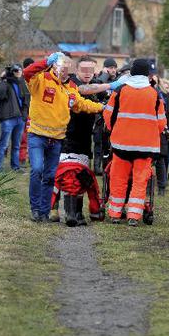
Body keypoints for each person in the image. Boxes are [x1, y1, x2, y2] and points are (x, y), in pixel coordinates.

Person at [22, 52, 104, 222]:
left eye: (67, 70)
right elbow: (27, 72)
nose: (64, 72)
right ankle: (35, 208)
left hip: (57, 138)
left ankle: (44, 212)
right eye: (62, 68)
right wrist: (45, 61)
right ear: (54, 66)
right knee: (37, 169)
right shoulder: (41, 79)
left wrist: (102, 107)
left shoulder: (71, 87)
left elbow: (82, 104)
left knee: (51, 176)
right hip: (37, 135)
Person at [50, 55, 112, 226]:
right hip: (67, 136)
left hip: (85, 139)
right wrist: (110, 85)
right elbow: (85, 91)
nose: (87, 73)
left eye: (90, 70)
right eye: (84, 69)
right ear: (76, 71)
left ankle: (78, 212)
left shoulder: (95, 90)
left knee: (83, 175)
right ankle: (62, 211)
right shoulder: (72, 85)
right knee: (67, 173)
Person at [103, 59, 167, 226]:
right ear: (148, 74)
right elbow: (161, 122)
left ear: (131, 72)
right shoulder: (155, 94)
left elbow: (108, 114)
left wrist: (113, 130)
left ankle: (115, 213)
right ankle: (133, 216)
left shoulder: (120, 90)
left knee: (118, 178)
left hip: (121, 144)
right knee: (140, 181)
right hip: (146, 146)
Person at [0, 63, 30, 172]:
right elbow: (0, 95)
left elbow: (26, 100)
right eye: (15, 70)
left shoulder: (22, 83)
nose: (18, 72)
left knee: (16, 145)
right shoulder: (6, 83)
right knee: (3, 144)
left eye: (19, 70)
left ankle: (15, 167)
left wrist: (24, 116)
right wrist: (2, 79)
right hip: (8, 118)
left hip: (19, 118)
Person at [92, 58, 118, 175]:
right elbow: (97, 92)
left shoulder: (118, 81)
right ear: (106, 68)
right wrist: (104, 76)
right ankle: (97, 167)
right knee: (98, 142)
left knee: (109, 144)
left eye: (114, 68)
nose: (113, 70)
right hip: (100, 117)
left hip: (113, 117)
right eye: (110, 68)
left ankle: (107, 166)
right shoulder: (99, 80)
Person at [155, 77, 169, 196]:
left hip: (161, 131)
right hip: (146, 131)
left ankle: (162, 187)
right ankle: (147, 186)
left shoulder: (164, 95)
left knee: (160, 159)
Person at [19, 57, 35, 167]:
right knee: (24, 138)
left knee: (31, 138)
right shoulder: (21, 80)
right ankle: (22, 159)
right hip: (25, 113)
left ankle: (28, 159)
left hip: (32, 113)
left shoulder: (35, 79)